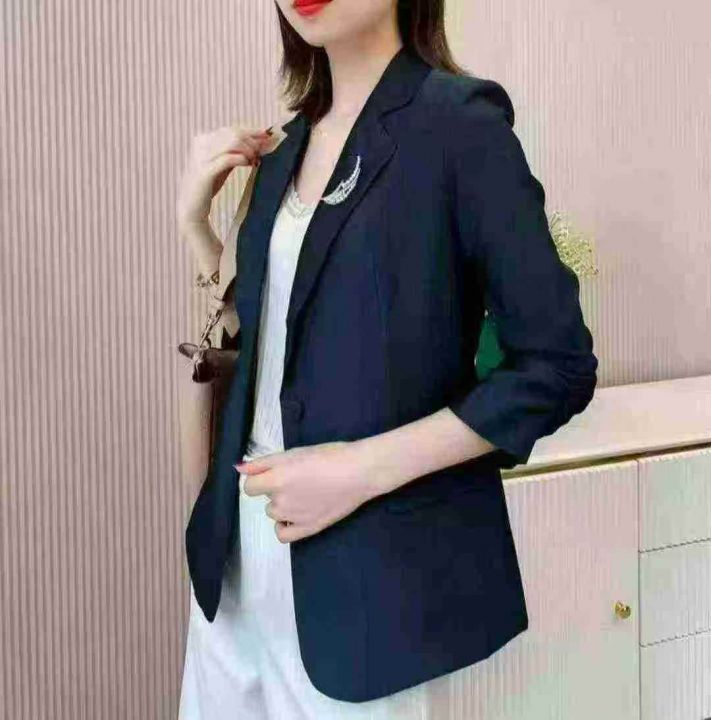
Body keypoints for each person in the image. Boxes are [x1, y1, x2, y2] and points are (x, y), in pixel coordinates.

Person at [176, 1, 598, 717]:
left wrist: (358, 472)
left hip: (364, 583)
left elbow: (556, 367)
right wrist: (197, 228)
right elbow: (272, 340)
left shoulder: (458, 126)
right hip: (234, 569)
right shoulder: (283, 148)